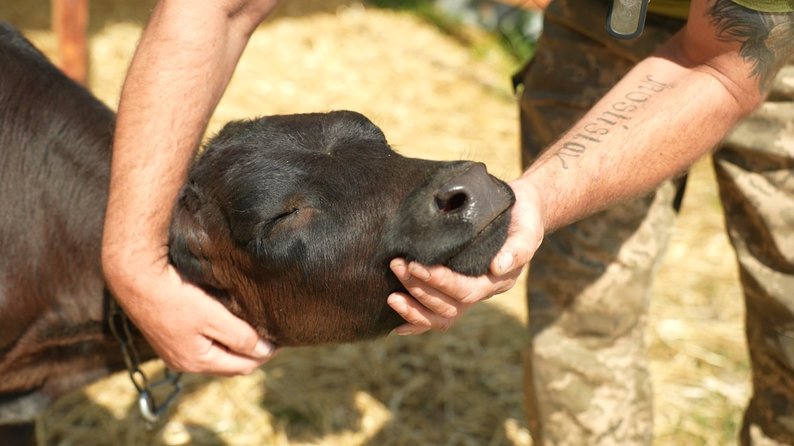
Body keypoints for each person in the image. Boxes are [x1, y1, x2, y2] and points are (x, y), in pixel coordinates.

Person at [100, 0, 793, 443]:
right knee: (576, 328)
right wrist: (133, 259)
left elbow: (727, 66)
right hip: (603, 15)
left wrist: (541, 198)